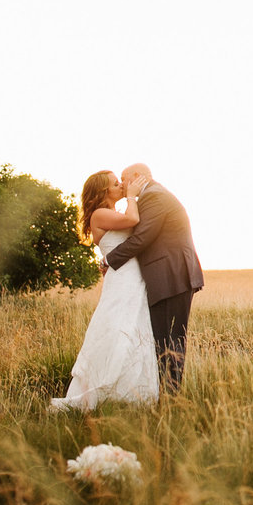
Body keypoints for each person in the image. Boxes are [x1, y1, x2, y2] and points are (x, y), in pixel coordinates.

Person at [51, 169, 159, 411]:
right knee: (117, 328)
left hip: (133, 278)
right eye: (115, 183)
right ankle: (104, 388)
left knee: (134, 328)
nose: (121, 184)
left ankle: (132, 393)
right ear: (103, 192)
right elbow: (133, 221)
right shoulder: (100, 215)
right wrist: (132, 195)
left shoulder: (112, 213)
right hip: (122, 281)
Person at [102, 163, 204, 394]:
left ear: (137, 177)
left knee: (169, 340)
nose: (123, 185)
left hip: (171, 277)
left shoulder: (153, 197)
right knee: (167, 338)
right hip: (172, 276)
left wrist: (108, 260)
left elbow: (142, 239)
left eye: (124, 179)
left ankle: (171, 396)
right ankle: (166, 394)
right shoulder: (154, 195)